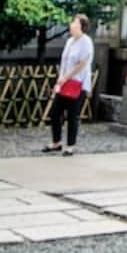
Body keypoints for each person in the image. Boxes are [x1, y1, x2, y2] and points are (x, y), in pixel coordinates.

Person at [43, 14, 93, 155]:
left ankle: (70, 145)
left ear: (81, 26)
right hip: (64, 82)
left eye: (75, 23)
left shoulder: (86, 42)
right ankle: (56, 141)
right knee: (55, 113)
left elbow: (82, 64)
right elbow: (64, 63)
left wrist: (65, 78)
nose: (72, 25)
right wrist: (60, 81)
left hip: (77, 83)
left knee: (72, 115)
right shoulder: (70, 41)